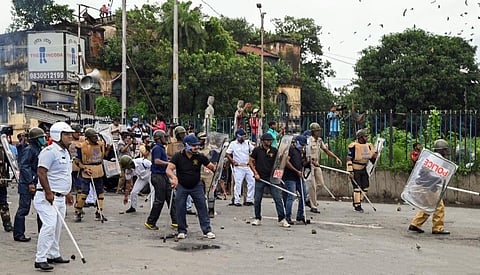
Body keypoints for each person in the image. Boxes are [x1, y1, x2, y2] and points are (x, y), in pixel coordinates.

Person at [33, 122, 75, 271]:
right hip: (46, 197)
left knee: (57, 227)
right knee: (49, 225)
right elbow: (41, 172)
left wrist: (67, 193)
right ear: (58, 135)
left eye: (70, 134)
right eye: (67, 134)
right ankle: (40, 258)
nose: (70, 136)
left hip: (60, 197)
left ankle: (53, 253)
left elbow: (62, 175)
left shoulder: (65, 152)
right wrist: (49, 192)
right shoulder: (49, 152)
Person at [166, 135, 216, 239]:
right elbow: (168, 169)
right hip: (182, 186)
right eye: (193, 146)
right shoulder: (178, 156)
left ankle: (207, 230)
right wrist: (174, 178)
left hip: (196, 186)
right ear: (186, 145)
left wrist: (216, 168)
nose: (196, 148)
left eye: (197, 145)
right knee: (180, 208)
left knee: (202, 207)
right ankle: (182, 230)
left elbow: (211, 167)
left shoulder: (199, 156)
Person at [408, 139, 450, 235]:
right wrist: (436, 179)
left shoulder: (431, 157)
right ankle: (438, 228)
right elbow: (426, 171)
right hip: (429, 185)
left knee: (428, 206)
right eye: (445, 150)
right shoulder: (437, 159)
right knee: (439, 206)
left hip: (424, 184)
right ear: (442, 150)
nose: (446, 152)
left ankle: (415, 224)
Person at [248, 133, 290, 227]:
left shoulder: (274, 151)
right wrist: (255, 173)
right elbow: (250, 161)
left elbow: (279, 163)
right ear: (263, 141)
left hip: (272, 178)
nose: (269, 142)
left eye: (270, 140)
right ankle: (257, 218)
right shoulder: (257, 150)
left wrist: (278, 175)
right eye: (267, 140)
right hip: (260, 178)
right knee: (257, 199)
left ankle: (282, 218)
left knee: (278, 198)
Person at [13, 127, 46, 242]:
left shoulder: (40, 149)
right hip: (27, 184)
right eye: (41, 138)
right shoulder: (29, 150)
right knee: (23, 209)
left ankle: (43, 232)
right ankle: (18, 234)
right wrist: (30, 182)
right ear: (35, 139)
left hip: (36, 183)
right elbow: (24, 166)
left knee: (41, 209)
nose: (43, 139)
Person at [73, 128, 110, 222]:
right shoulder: (81, 146)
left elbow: (103, 156)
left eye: (96, 136)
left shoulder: (101, 144)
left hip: (98, 170)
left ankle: (99, 212)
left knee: (100, 192)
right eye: (94, 136)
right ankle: (78, 211)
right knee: (84, 192)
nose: (96, 137)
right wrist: (84, 168)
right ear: (88, 137)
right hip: (87, 170)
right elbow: (77, 160)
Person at [306, 122, 342, 213]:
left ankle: (308, 198)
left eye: (319, 131)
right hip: (309, 164)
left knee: (321, 184)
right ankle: (313, 206)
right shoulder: (308, 141)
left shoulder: (319, 141)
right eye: (316, 131)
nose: (318, 132)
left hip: (317, 164)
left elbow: (326, 150)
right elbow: (306, 155)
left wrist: (335, 157)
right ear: (313, 132)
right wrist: (313, 162)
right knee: (312, 186)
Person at [144, 130, 177, 230]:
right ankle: (151, 222)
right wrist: (168, 164)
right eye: (163, 137)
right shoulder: (157, 148)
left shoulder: (162, 148)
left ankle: (176, 221)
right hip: (158, 176)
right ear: (158, 139)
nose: (165, 139)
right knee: (160, 200)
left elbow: (165, 158)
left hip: (163, 175)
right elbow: (157, 161)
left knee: (171, 198)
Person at [346, 129, 377, 213]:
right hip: (355, 169)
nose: (366, 138)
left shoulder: (368, 146)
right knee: (357, 187)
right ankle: (357, 205)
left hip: (363, 169)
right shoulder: (354, 146)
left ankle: (358, 200)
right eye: (365, 136)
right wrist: (350, 171)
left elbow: (371, 159)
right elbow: (349, 158)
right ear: (360, 137)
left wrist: (374, 157)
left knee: (366, 186)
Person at [283, 135, 309, 225]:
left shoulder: (300, 151)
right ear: (296, 142)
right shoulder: (291, 150)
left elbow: (302, 163)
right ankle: (288, 216)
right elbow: (286, 162)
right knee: (291, 196)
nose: (302, 146)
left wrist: (306, 161)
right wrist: (296, 171)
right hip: (290, 177)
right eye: (301, 144)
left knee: (304, 194)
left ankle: (300, 215)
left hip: (299, 176)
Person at [226, 128, 255, 206]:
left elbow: (254, 151)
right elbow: (227, 153)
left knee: (252, 182)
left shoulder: (248, 143)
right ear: (238, 136)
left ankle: (249, 199)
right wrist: (232, 161)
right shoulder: (233, 144)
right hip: (238, 166)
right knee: (238, 184)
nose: (244, 137)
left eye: (245, 136)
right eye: (242, 136)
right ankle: (237, 200)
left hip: (247, 166)